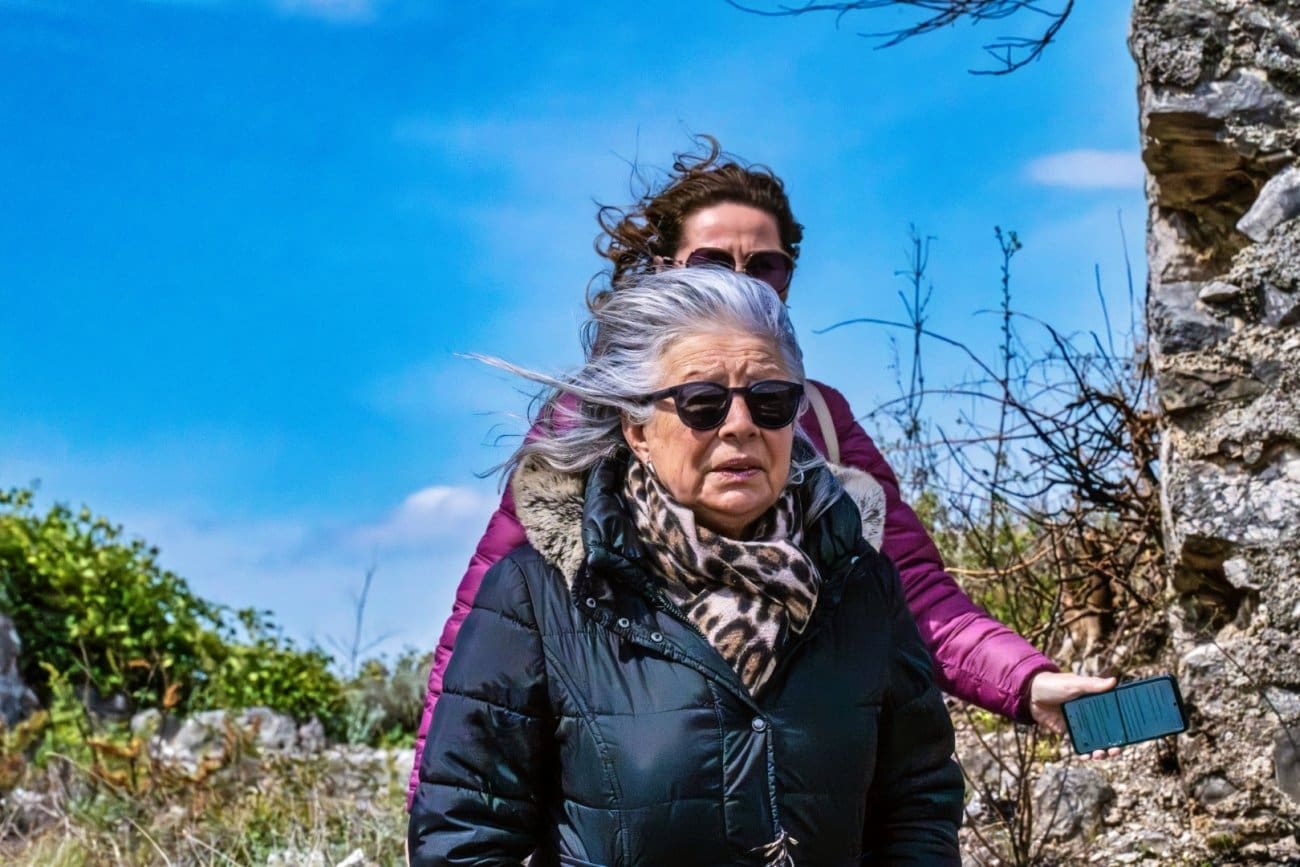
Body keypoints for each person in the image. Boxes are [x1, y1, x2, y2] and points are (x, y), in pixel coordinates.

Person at [407, 138, 1117, 808]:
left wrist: (1028, 681)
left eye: (766, 265)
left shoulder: (819, 418)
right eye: (712, 260)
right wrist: (429, 797)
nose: (740, 280)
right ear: (665, 267)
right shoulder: (589, 416)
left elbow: (915, 593)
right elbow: (483, 631)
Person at [408, 268, 964, 865]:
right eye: (703, 403)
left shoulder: (859, 582)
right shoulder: (540, 596)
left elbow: (918, 803)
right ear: (638, 429)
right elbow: (463, 838)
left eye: (771, 401)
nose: (741, 425)